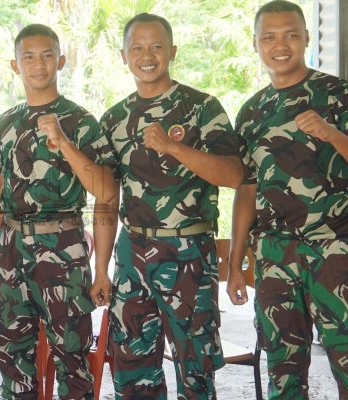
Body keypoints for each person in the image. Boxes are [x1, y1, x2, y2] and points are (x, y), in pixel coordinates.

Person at [226, 1, 348, 398]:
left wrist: (332, 133)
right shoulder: (252, 111)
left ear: (307, 38)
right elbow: (246, 189)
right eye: (269, 37)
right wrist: (235, 263)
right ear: (255, 43)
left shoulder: (338, 94)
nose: (280, 45)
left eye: (290, 35)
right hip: (274, 256)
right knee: (284, 375)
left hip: (335, 253)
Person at [97, 13, 243, 399]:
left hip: (189, 253)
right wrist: (101, 268)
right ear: (124, 55)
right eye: (137, 48)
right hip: (133, 254)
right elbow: (107, 198)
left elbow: (233, 175)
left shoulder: (202, 107)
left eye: (156, 46)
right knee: (132, 369)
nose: (147, 56)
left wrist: (173, 148)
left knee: (196, 369)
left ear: (173, 51)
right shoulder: (113, 119)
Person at [0, 24, 117, 400]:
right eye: (28, 57)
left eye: (46, 55)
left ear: (61, 60)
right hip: (11, 249)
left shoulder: (81, 121)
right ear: (15, 65)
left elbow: (107, 192)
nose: (38, 64)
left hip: (63, 249)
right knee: (11, 354)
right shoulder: (5, 123)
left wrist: (64, 142)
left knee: (71, 355)